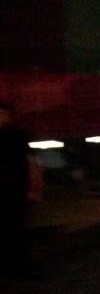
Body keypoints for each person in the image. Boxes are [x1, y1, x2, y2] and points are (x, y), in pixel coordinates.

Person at [0, 103, 41, 279]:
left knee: (15, 229)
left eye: (3, 114)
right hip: (8, 190)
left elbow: (31, 163)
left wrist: (33, 189)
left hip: (16, 190)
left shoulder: (17, 137)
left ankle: (20, 268)